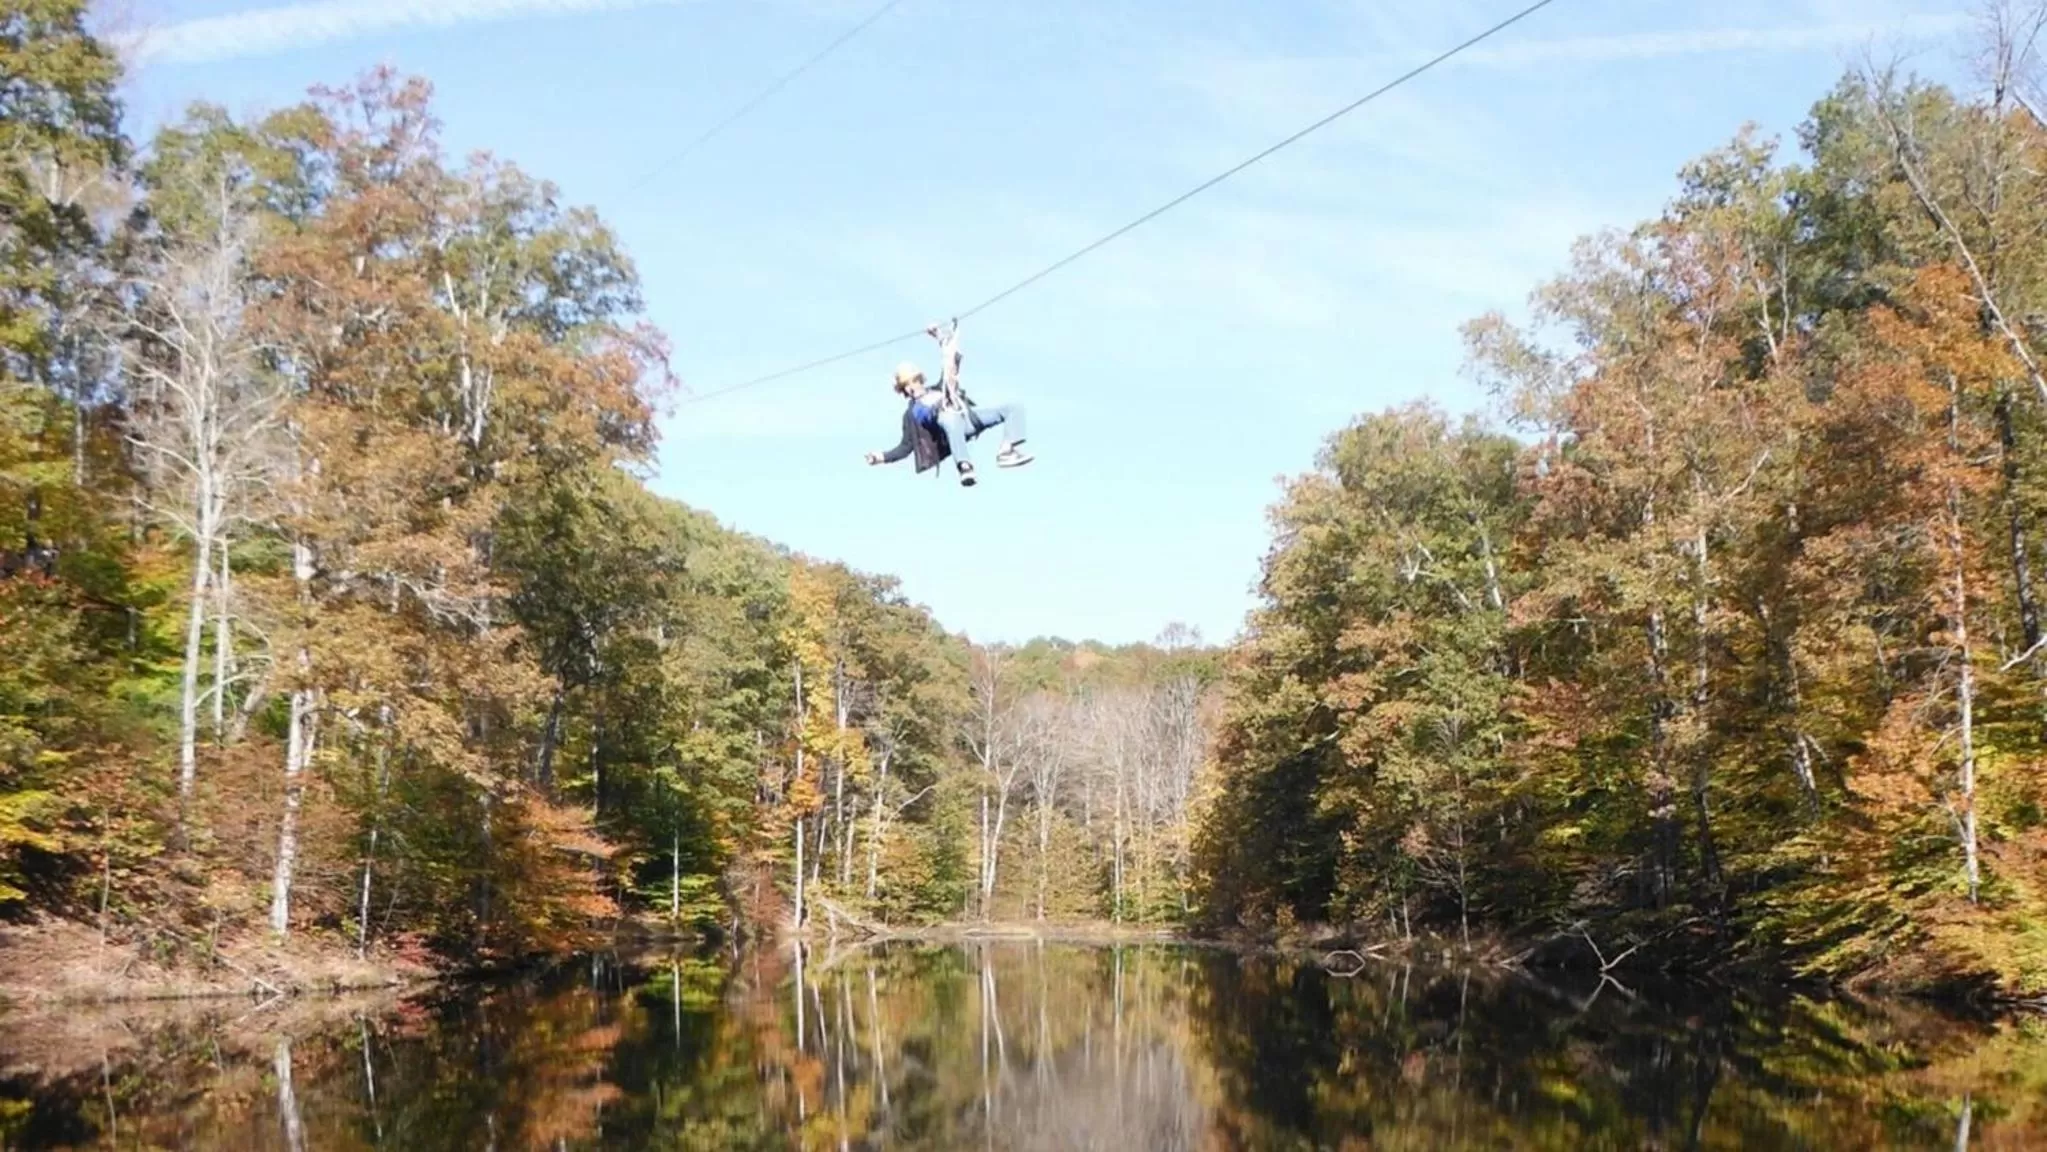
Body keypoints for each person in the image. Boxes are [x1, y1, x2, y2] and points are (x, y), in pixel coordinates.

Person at [864, 328, 1031, 486]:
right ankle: (964, 466)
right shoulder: (912, 412)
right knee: (949, 418)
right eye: (906, 386)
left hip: (966, 420)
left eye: (913, 381)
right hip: (947, 424)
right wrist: (881, 457)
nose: (911, 387)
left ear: (920, 380)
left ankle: (1006, 450)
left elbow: (950, 366)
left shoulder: (938, 390)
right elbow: (905, 448)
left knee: (1013, 408)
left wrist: (939, 337)